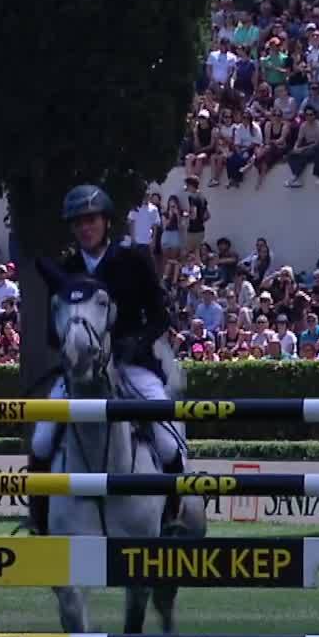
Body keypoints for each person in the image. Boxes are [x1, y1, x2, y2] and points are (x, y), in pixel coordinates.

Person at [24, 184, 186, 535]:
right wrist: (70, 345)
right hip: (81, 374)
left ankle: (172, 515)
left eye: (91, 219)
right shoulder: (66, 269)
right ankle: (38, 519)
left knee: (168, 441)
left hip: (132, 366)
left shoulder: (133, 260)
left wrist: (134, 343)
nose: (85, 227)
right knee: (40, 440)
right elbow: (53, 333)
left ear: (105, 222)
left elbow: (160, 315)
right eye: (79, 222)